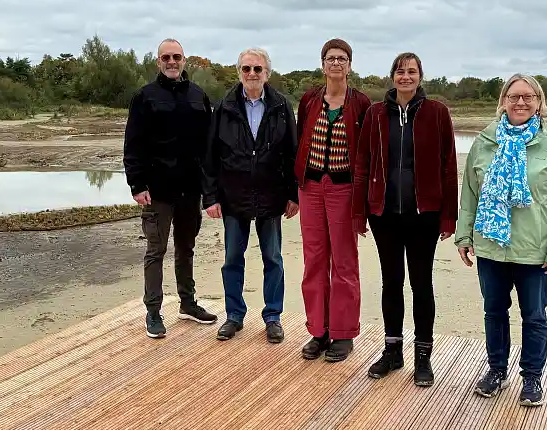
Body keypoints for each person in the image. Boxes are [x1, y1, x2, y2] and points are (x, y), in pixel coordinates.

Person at [456, 74, 547, 407]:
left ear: (539, 102)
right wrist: (464, 235)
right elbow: (470, 194)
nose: (520, 102)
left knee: (534, 315)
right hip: (491, 247)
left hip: (534, 251)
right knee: (494, 311)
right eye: (513, 96)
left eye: (528, 97)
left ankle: (532, 377)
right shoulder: (484, 142)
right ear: (503, 101)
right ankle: (496, 371)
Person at [352, 52, 458, 387]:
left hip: (424, 214)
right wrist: (359, 212)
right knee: (391, 283)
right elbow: (362, 164)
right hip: (384, 215)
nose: (406, 77)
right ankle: (392, 352)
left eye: (412, 71)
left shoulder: (437, 113)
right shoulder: (375, 113)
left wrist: (448, 217)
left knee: (422, 285)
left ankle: (423, 358)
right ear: (393, 76)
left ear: (420, 76)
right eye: (400, 71)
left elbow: (448, 167)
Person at [202, 47, 299, 344]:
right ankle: (234, 315)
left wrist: (293, 194)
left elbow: (292, 154)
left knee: (273, 258)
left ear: (267, 73)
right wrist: (211, 197)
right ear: (239, 72)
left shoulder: (281, 107)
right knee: (232, 258)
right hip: (233, 196)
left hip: (271, 195)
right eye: (247, 69)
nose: (252, 74)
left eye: (258, 69)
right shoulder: (224, 108)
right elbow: (211, 156)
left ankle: (273, 317)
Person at [123, 38, 218, 338]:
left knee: (186, 249)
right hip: (158, 190)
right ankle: (153, 311)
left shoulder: (198, 96)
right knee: (156, 250)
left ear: (184, 60)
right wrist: (137, 184)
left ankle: (187, 303)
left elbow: (208, 147)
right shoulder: (145, 97)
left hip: (190, 190)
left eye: (176, 56)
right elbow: (133, 144)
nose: (172, 61)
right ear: (158, 62)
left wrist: (209, 189)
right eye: (166, 57)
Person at [294, 38, 372, 362]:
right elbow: (299, 139)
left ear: (349, 65)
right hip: (311, 188)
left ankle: (342, 333)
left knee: (344, 261)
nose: (336, 64)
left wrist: (364, 201)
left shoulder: (361, 103)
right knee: (314, 260)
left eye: (341, 59)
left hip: (343, 190)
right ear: (322, 64)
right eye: (330, 58)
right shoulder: (310, 100)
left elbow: (367, 154)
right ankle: (318, 330)